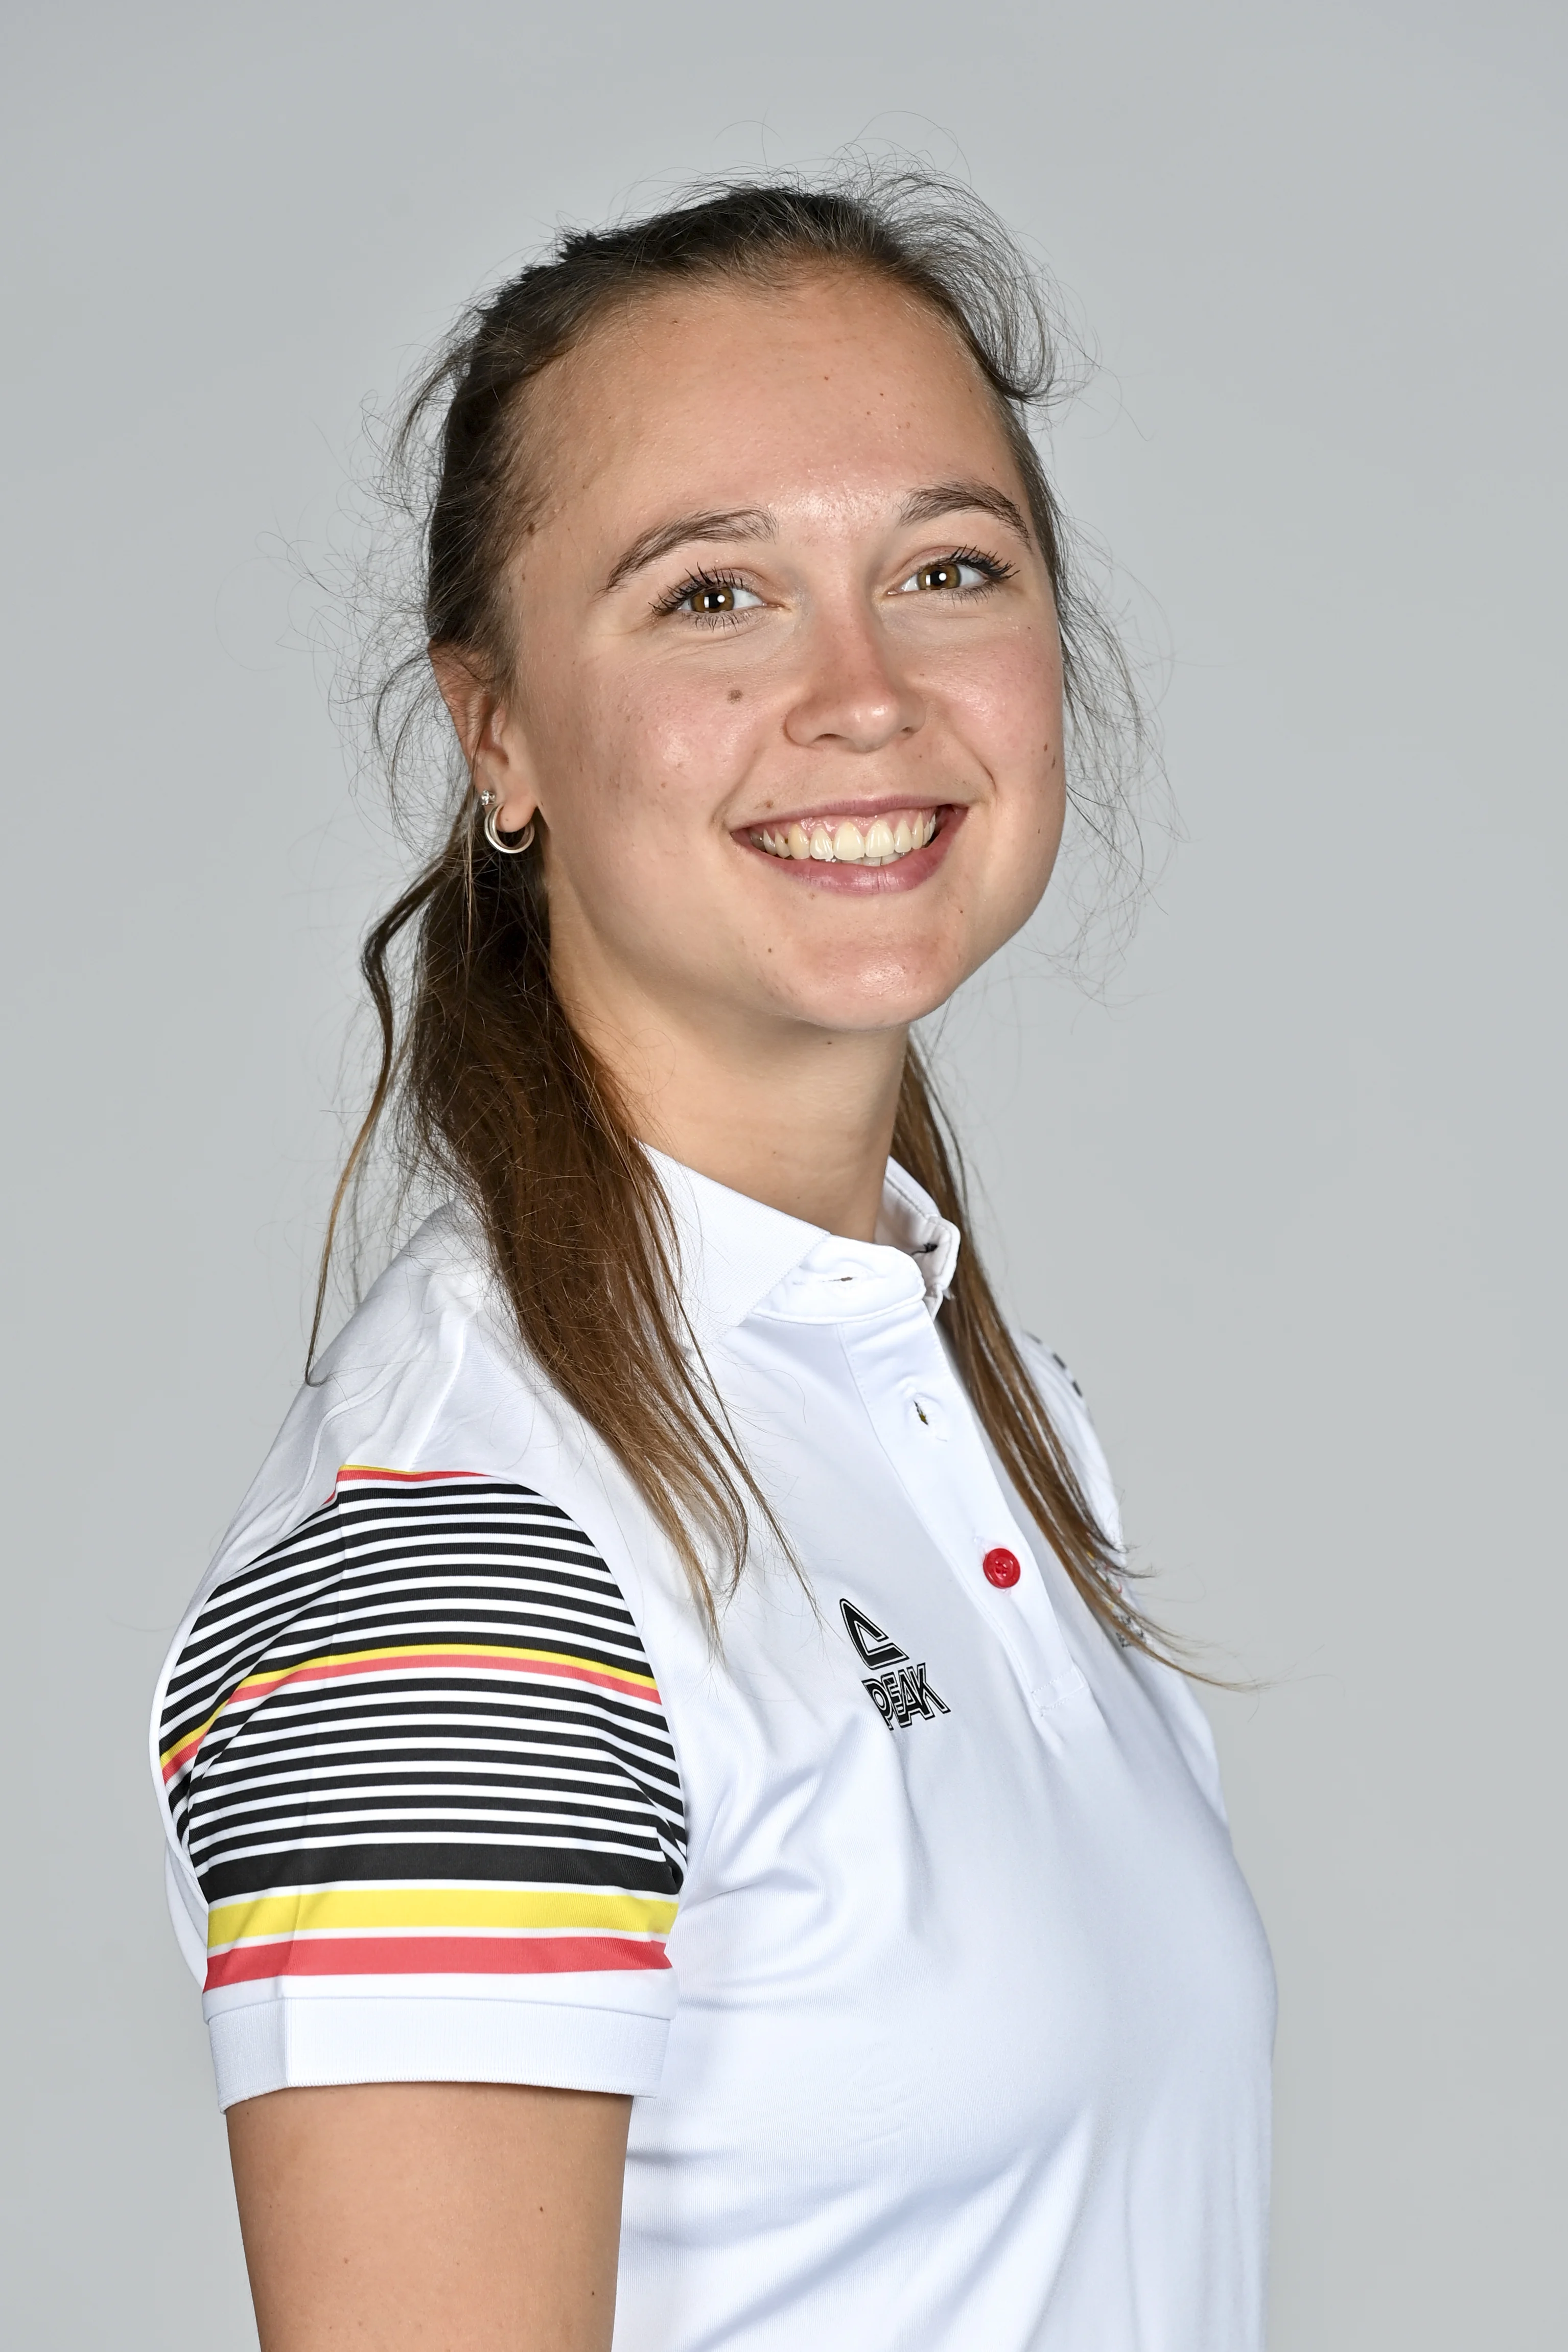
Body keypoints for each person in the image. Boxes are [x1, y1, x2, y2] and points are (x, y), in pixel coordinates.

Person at [150, 171, 1275, 2351]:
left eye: (946, 567)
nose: (862, 693)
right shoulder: (465, 1555)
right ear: (496, 736)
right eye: (711, 597)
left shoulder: (954, 1393)